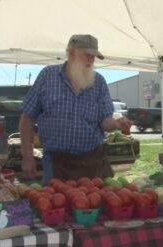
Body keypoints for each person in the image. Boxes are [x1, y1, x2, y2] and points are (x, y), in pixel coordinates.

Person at [19, 34, 132, 184]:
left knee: (97, 205)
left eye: (94, 56)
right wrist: (27, 155)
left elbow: (105, 121)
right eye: (87, 55)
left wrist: (117, 123)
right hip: (56, 163)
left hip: (93, 162)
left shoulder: (99, 82)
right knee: (56, 205)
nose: (91, 60)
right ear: (71, 52)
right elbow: (27, 118)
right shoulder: (48, 76)